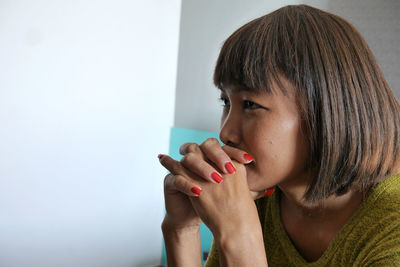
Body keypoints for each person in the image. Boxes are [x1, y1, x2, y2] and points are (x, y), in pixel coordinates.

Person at [158, 4, 400, 266]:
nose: (225, 132)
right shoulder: (260, 197)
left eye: (250, 104)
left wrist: (240, 235)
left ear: (324, 113)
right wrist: (181, 230)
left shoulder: (392, 225)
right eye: (225, 102)